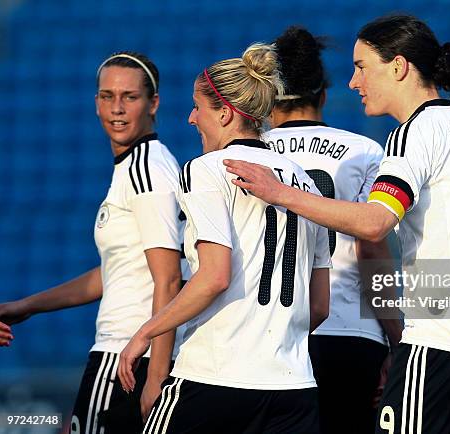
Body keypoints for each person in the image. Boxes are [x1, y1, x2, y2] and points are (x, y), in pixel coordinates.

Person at [224, 14, 450, 434]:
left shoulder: (414, 133)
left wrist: (279, 192)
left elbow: (375, 224)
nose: (354, 83)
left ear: (398, 66)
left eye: (361, 67)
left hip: (444, 347)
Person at [117, 43, 331, 434]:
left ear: (226, 112)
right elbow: (318, 305)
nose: (191, 118)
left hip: (214, 378)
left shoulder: (206, 170)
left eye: (198, 107)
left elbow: (214, 276)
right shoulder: (305, 184)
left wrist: (145, 333)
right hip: (293, 388)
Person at [0, 51, 189, 434]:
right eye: (107, 96)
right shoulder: (140, 166)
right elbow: (120, 270)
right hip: (129, 355)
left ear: (153, 103)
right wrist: (28, 306)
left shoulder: (145, 170)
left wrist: (156, 374)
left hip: (125, 357)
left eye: (130, 97)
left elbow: (168, 279)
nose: (116, 108)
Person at [265, 26, 403, 434]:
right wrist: (395, 335)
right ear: (323, 95)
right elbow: (371, 250)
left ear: (269, 99)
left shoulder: (247, 155)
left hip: (272, 334)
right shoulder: (364, 151)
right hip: (349, 331)